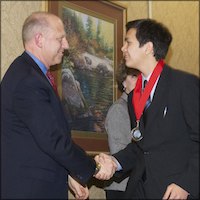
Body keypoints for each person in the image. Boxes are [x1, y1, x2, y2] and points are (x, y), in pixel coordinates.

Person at [1, 11, 116, 199]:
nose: (67, 45)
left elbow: (40, 140)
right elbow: (52, 139)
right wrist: (93, 167)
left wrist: (69, 172)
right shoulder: (28, 80)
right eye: (60, 38)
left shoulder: (30, 74)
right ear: (39, 39)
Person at [95, 18, 199, 199]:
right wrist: (114, 161)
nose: (123, 48)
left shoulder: (184, 85)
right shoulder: (134, 96)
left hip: (176, 192)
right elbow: (141, 147)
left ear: (148, 47)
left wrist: (187, 183)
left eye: (128, 42)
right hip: (140, 191)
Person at [104, 62, 139, 199]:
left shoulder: (140, 110)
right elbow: (119, 151)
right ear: (123, 82)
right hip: (122, 188)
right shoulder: (119, 109)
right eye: (134, 76)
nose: (140, 80)